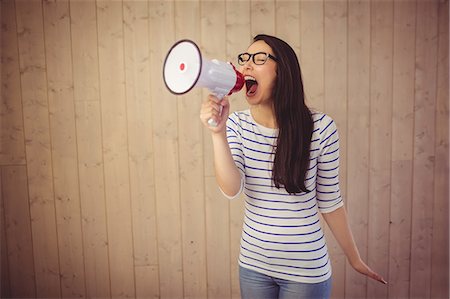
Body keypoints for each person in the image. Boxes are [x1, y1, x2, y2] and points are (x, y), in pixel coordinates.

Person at [200, 34, 386, 299]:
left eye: (260, 58)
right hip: (253, 267)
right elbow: (231, 189)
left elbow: (330, 201)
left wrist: (354, 259)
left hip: (307, 272)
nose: (247, 65)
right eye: (245, 58)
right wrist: (217, 133)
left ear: (283, 70)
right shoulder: (236, 125)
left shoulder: (321, 128)